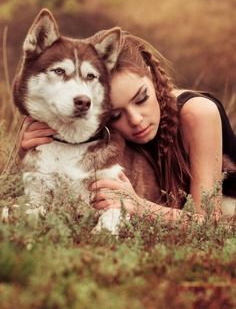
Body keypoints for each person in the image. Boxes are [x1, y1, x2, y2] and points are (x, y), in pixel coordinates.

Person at [19, 30, 236, 221]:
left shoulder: (197, 112)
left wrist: (139, 206)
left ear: (151, 75)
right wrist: (33, 148)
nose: (135, 120)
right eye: (115, 115)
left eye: (141, 99)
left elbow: (209, 222)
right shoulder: (98, 127)